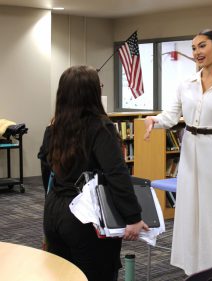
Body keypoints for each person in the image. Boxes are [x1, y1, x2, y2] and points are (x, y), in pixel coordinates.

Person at [144, 29, 212, 275]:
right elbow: (170, 117)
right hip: (189, 153)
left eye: (202, 46)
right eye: (193, 48)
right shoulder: (185, 84)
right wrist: (154, 120)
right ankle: (192, 269)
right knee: (189, 213)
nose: (197, 52)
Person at [38, 65, 148, 281]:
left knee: (60, 274)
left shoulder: (53, 128)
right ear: (92, 93)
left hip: (53, 212)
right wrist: (133, 217)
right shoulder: (101, 128)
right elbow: (117, 174)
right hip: (86, 217)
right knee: (96, 274)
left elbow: (46, 170)